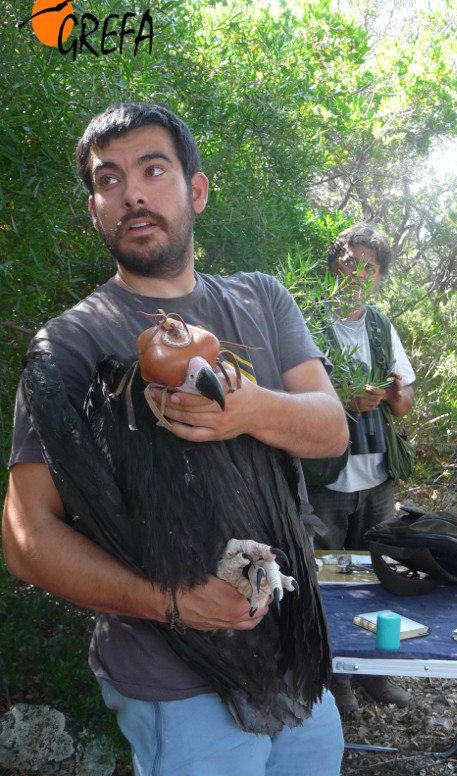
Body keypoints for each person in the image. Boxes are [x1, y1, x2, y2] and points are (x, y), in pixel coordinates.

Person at [2, 102, 349, 776]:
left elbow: (330, 428)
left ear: (195, 190)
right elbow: (24, 539)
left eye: (153, 170)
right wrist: (171, 603)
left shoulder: (262, 300)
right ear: (95, 210)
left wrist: (245, 410)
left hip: (292, 657)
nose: (131, 192)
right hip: (174, 683)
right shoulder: (70, 346)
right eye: (108, 180)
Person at [304, 223, 416, 714]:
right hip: (326, 475)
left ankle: (373, 672)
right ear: (334, 264)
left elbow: (406, 402)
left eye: (369, 267)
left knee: (376, 573)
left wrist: (391, 393)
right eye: (351, 262)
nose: (358, 273)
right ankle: (334, 678)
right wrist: (337, 401)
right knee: (325, 576)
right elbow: (293, 396)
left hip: (377, 477)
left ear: (379, 277)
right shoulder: (306, 321)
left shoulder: (381, 325)